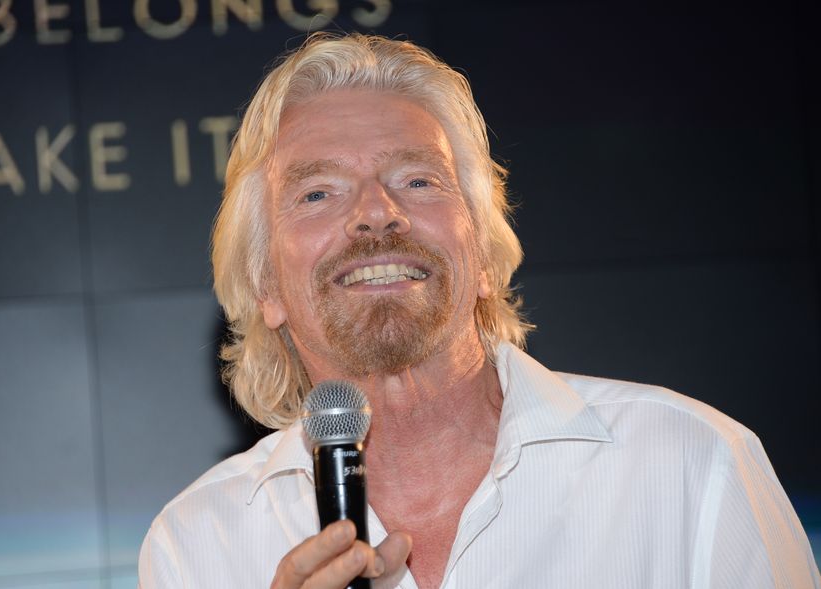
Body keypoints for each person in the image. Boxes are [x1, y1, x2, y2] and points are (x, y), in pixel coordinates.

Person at [138, 33, 820, 588]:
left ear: (486, 257)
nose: (377, 212)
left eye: (417, 179)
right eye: (318, 193)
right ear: (266, 288)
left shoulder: (689, 467)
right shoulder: (199, 543)